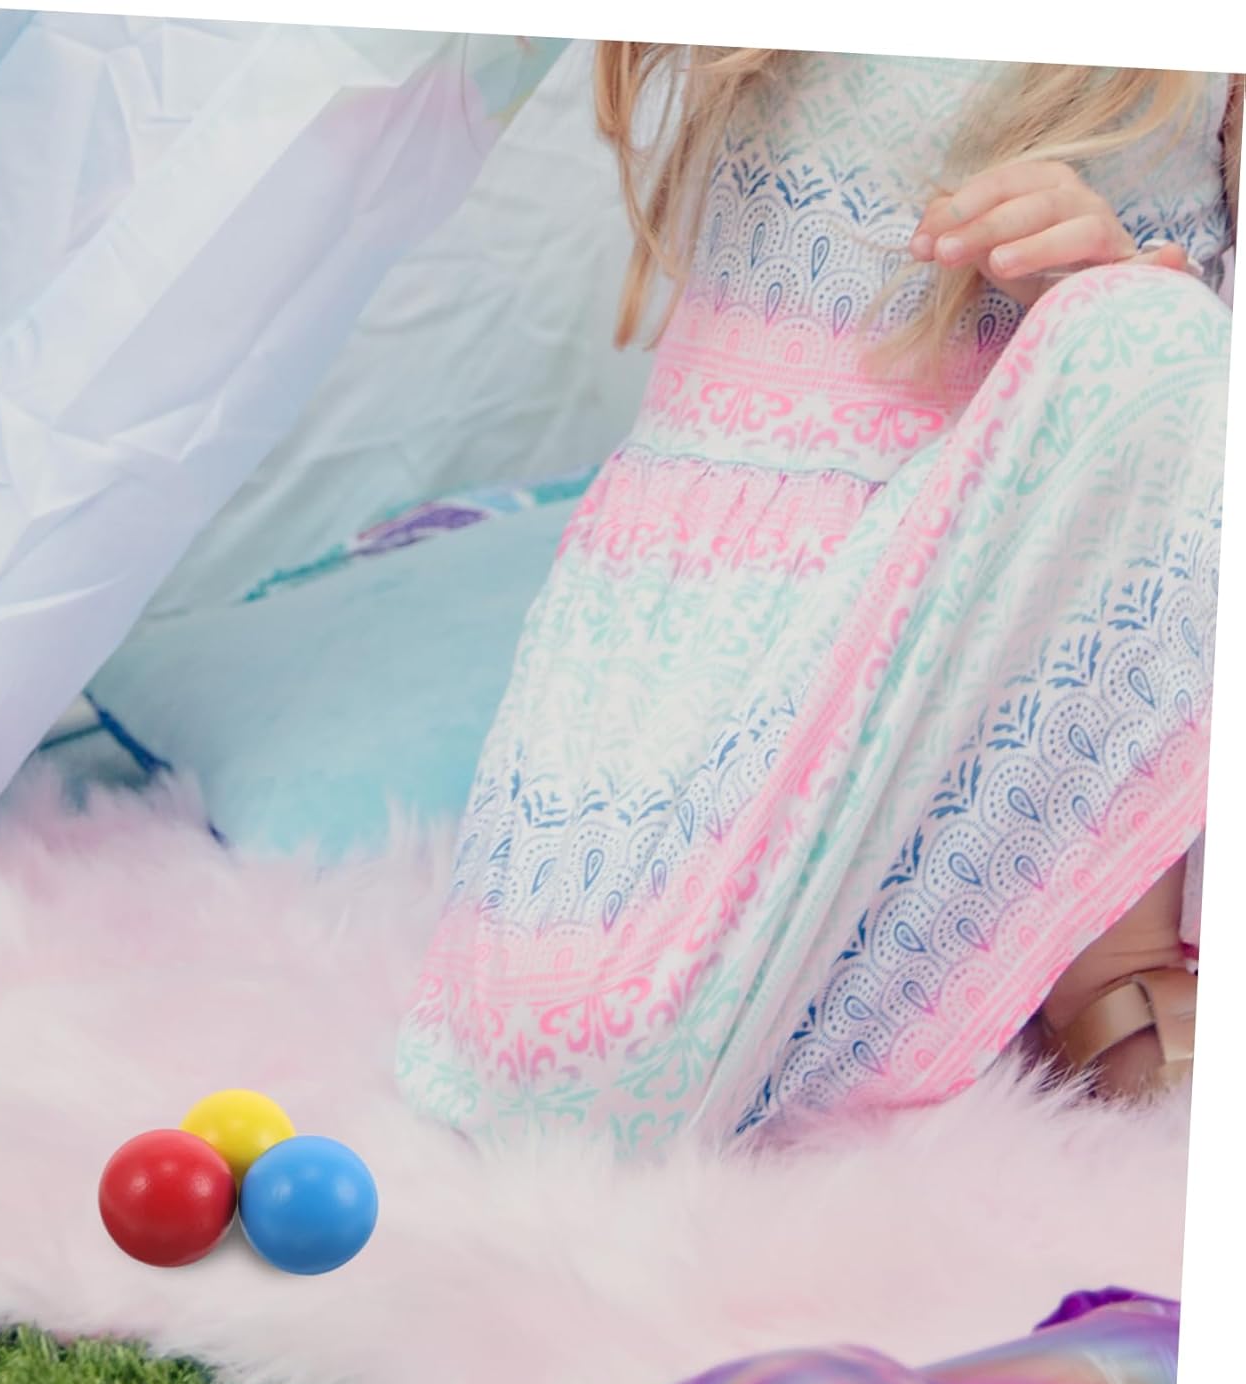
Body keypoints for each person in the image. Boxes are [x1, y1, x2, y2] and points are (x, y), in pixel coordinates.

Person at [394, 48, 1240, 1156]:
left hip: (1036, 570)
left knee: (1154, 337)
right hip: (732, 607)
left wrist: (1103, 297)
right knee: (575, 1053)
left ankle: (1114, 964)